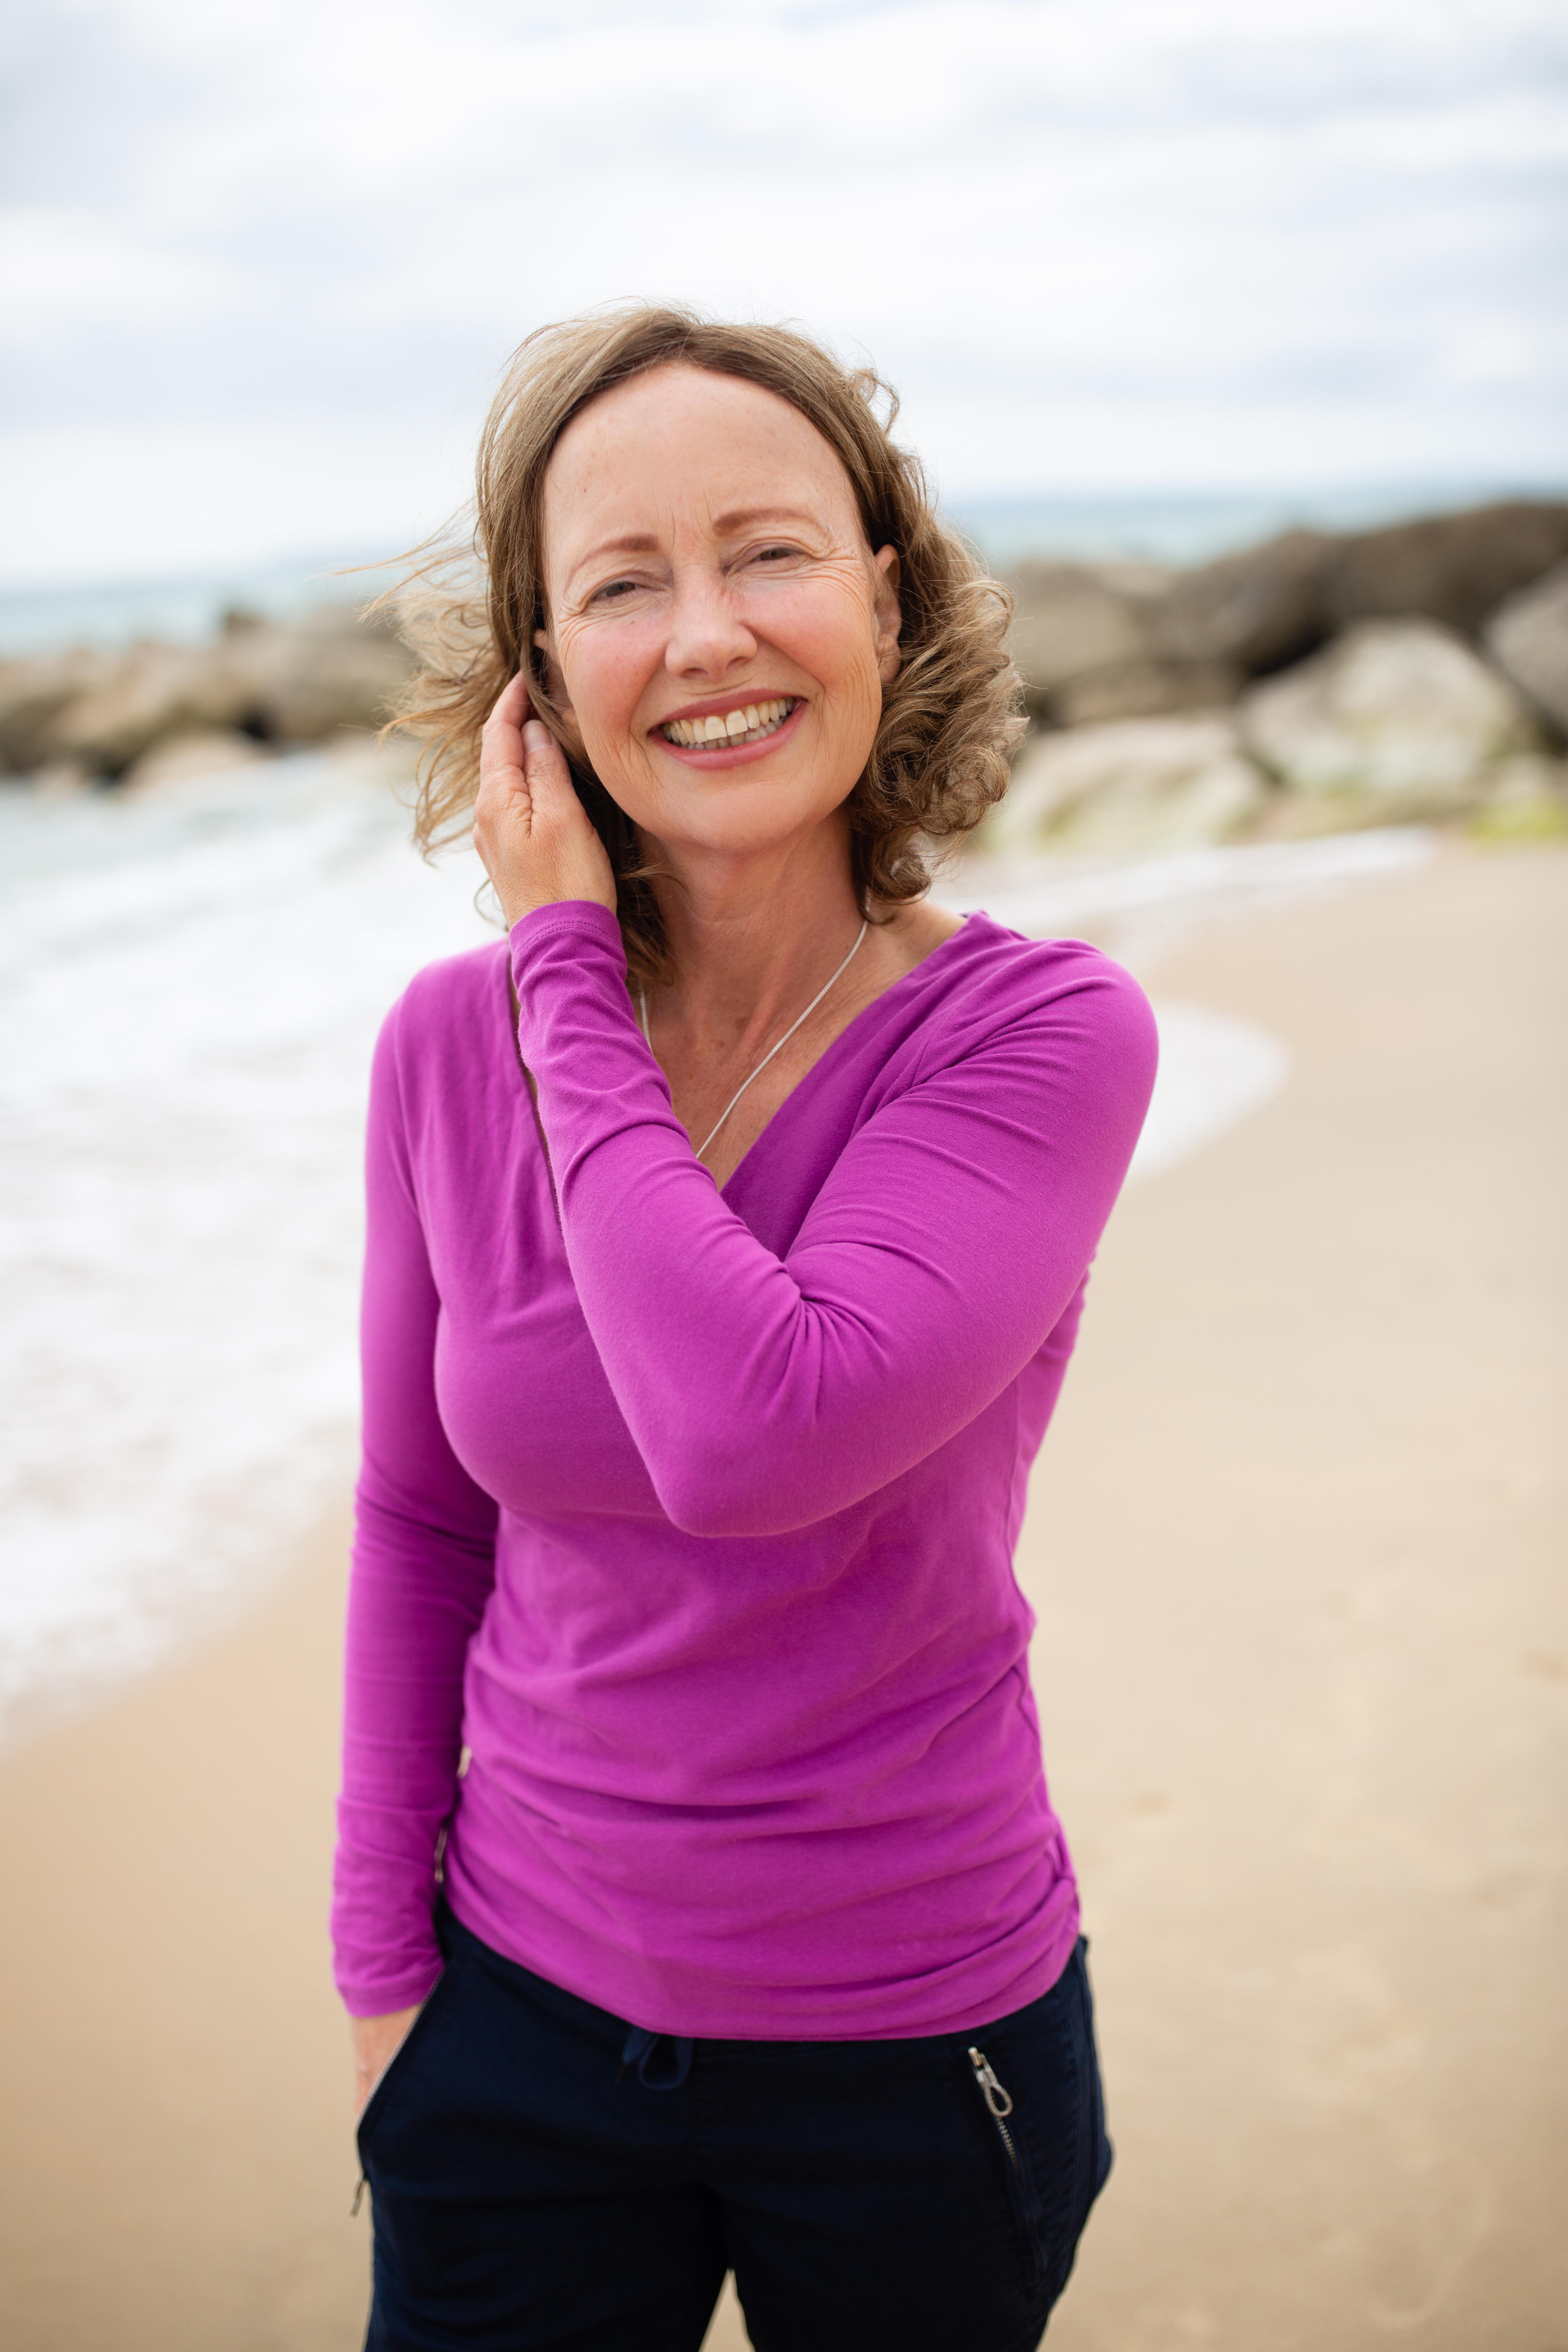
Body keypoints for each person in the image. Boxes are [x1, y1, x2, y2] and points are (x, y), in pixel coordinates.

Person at [333, 303, 1158, 2352]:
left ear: (887, 596)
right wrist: (383, 1985)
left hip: (910, 2047)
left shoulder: (1038, 1035)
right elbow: (419, 1518)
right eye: (623, 582)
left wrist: (560, 961)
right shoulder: (450, 1046)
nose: (705, 634)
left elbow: (751, 1431)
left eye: (768, 550)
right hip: (509, 2020)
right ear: (540, 676)